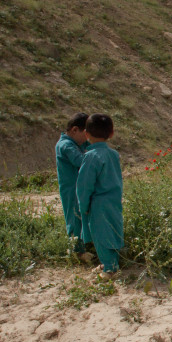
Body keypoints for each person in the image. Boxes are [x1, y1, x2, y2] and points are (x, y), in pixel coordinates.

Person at [76, 113, 124, 275]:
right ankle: (111, 263)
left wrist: (83, 205)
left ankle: (110, 269)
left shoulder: (91, 157)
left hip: (98, 203)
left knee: (101, 236)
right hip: (114, 200)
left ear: (86, 134)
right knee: (113, 232)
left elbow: (84, 185)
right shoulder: (113, 154)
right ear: (111, 134)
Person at [55, 113, 90, 255]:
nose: (87, 139)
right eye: (86, 134)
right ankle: (76, 251)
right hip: (71, 189)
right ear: (75, 130)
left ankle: (84, 245)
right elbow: (81, 161)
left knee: (82, 216)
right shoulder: (66, 146)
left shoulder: (77, 143)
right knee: (74, 218)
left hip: (80, 188)